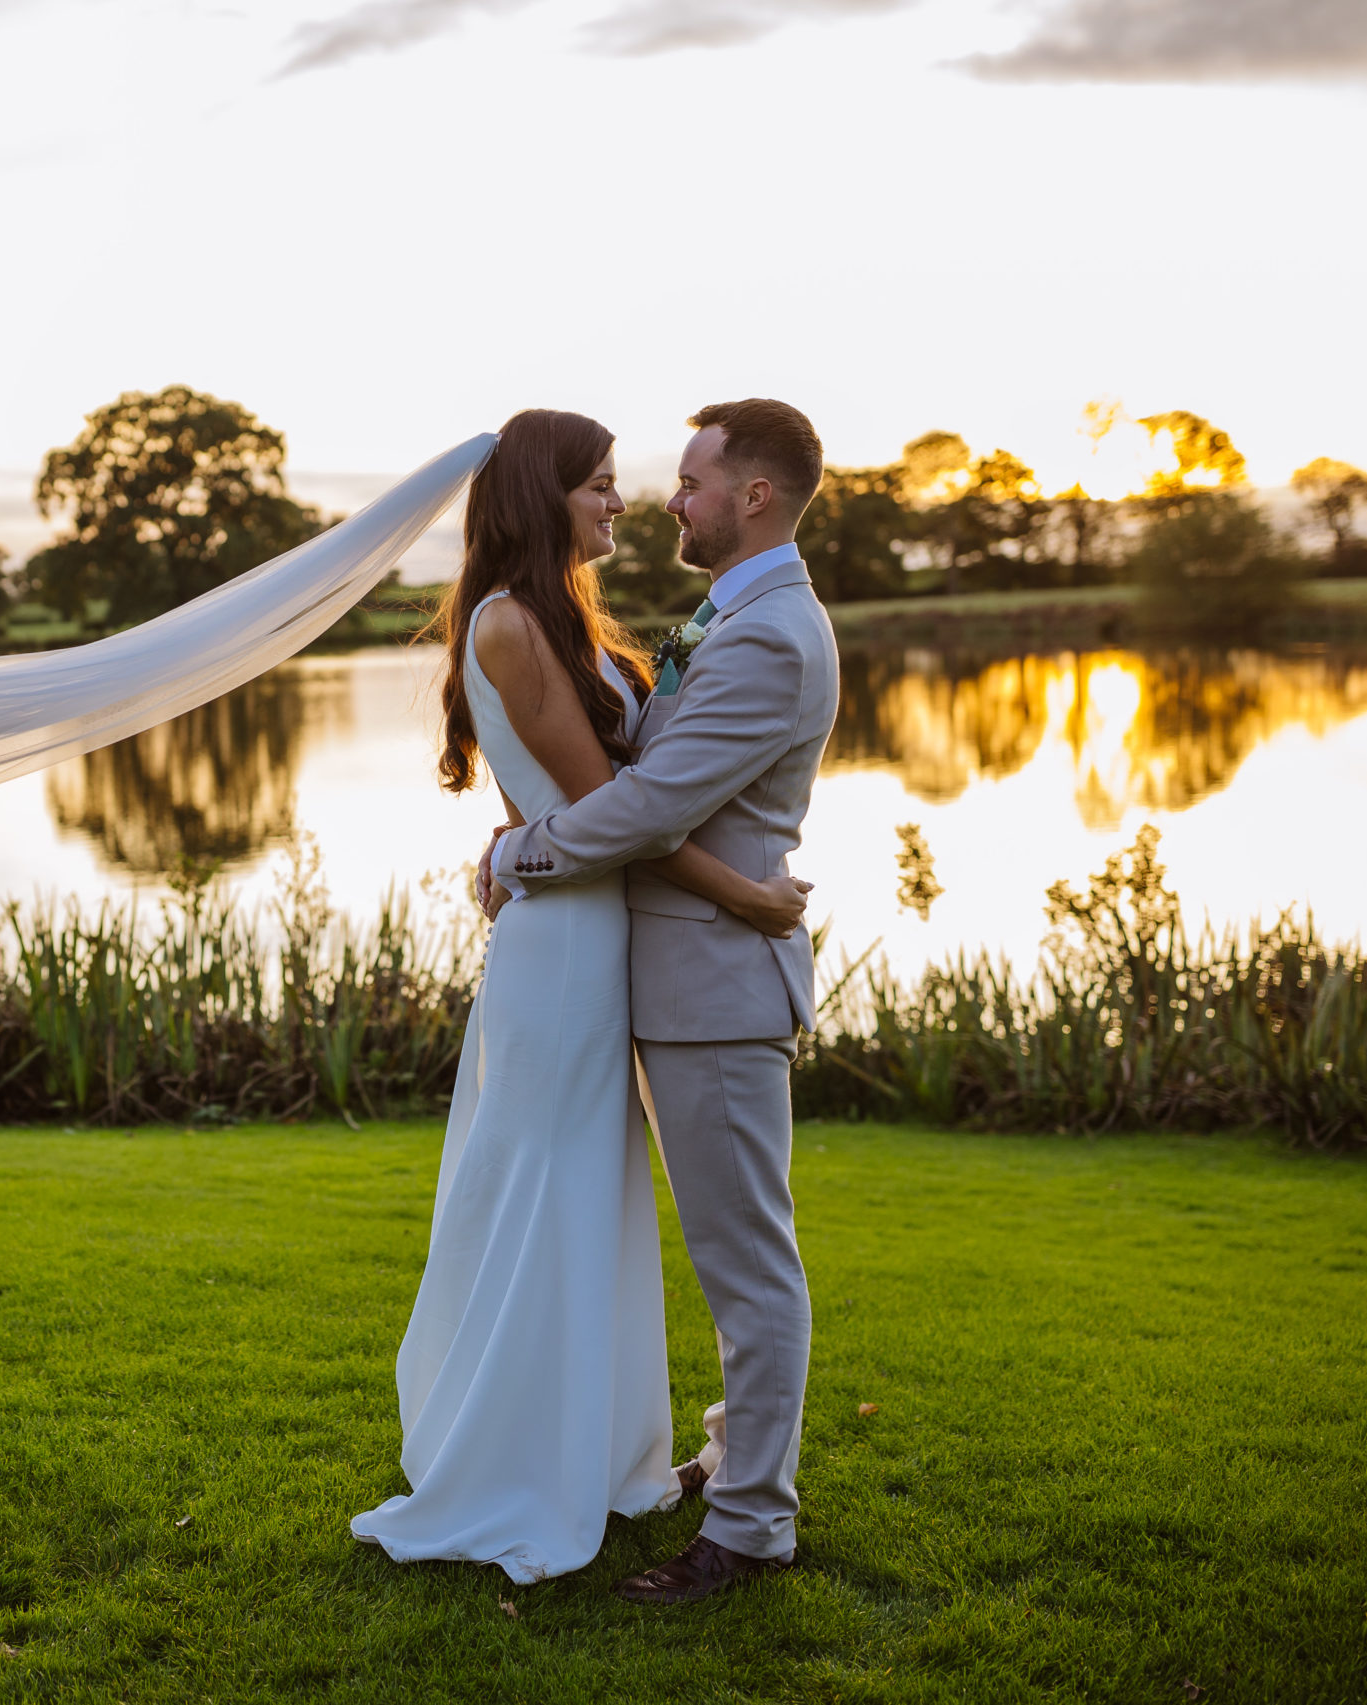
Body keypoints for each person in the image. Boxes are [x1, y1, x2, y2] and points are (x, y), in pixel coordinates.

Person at [349, 409, 811, 1585]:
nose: (633, 501)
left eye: (661, 480)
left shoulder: (577, 618)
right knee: (546, 1203)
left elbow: (604, 806)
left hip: (610, 944)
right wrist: (743, 896)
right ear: (540, 494)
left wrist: (520, 847)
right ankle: (524, 1466)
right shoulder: (511, 622)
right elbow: (618, 809)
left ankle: (604, 1456)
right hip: (566, 956)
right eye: (600, 483)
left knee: (590, 1210)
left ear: (750, 495)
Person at [482, 398, 840, 1605]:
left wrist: (514, 857)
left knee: (749, 1270)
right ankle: (733, 1464)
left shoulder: (768, 635)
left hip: (715, 990)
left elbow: (647, 808)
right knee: (734, 1260)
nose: (664, 502)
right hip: (669, 974)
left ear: (752, 495)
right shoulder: (731, 614)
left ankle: (750, 1529)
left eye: (688, 481)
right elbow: (637, 780)